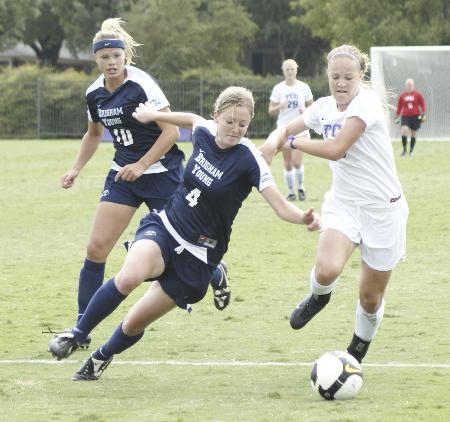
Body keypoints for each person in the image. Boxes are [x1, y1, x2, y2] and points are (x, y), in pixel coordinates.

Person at [48, 86, 320, 380]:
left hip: (199, 255)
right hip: (166, 227)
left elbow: (280, 206)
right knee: (129, 276)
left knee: (133, 323)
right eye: (229, 121)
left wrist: (302, 217)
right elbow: (189, 118)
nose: (235, 129)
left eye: (243, 124)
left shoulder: (249, 159)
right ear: (216, 116)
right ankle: (76, 334)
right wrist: (152, 114)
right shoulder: (204, 130)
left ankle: (101, 358)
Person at [54, 18, 227, 350]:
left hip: (162, 173)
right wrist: (75, 168)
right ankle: (81, 329)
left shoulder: (142, 84)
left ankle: (215, 271)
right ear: (97, 60)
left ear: (124, 56)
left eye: (116, 56)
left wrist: (143, 164)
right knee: (95, 248)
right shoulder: (94, 94)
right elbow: (93, 135)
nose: (112, 62)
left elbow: (172, 131)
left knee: (182, 247)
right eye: (105, 58)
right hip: (124, 175)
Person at [261, 45, 409, 364]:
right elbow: (286, 127)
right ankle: (319, 297)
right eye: (335, 77)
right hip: (343, 203)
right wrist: (272, 143)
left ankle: (356, 351)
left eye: (348, 77)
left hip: (383, 210)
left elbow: (336, 148)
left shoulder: (366, 104)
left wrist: (290, 142)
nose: (341, 83)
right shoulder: (324, 106)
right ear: (327, 77)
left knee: (370, 298)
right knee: (326, 270)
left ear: (360, 77)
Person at [268, 59, 314, 201]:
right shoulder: (278, 89)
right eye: (287, 69)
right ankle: (291, 192)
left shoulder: (304, 87)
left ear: (296, 70)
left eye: (292, 69)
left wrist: (305, 110)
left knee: (296, 162)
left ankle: (300, 188)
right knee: (287, 163)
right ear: (283, 71)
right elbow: (271, 110)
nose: (289, 72)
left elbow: (313, 109)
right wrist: (280, 105)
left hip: (300, 129)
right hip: (284, 129)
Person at [395, 78, 426, 156]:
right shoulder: (402, 95)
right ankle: (404, 150)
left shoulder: (418, 94)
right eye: (408, 85)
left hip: (416, 116)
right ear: (406, 86)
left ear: (413, 85)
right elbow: (399, 106)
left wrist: (423, 113)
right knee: (404, 130)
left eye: (411, 85)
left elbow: (422, 104)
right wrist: (397, 115)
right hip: (405, 116)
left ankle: (411, 151)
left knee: (413, 133)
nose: (409, 86)